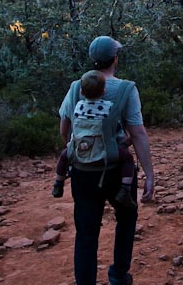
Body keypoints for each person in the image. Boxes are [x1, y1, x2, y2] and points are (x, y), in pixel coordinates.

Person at [59, 36, 155, 285]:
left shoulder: (77, 87)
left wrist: (77, 149)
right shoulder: (127, 89)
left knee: (86, 235)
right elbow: (137, 133)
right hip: (114, 170)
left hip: (83, 173)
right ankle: (118, 276)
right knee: (126, 218)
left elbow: (65, 127)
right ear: (115, 59)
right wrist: (149, 173)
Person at [52, 70, 136, 209]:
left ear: (82, 93)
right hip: (105, 152)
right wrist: (127, 141)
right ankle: (125, 189)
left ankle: (59, 183)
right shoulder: (108, 108)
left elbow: (65, 129)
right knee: (127, 158)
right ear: (103, 92)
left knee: (63, 156)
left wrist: (70, 143)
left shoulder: (77, 106)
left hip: (80, 148)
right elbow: (116, 130)